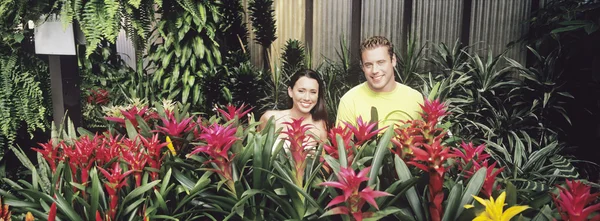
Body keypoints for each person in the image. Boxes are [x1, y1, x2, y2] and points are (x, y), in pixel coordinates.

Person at [336, 36, 423, 129]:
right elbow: (343, 142)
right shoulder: (349, 101)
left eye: (380, 62)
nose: (375, 70)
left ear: (393, 60)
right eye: (368, 65)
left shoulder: (415, 98)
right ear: (362, 67)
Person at [258, 69, 328, 151]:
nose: (307, 98)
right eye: (301, 91)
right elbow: (256, 155)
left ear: (318, 95)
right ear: (290, 91)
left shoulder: (320, 126)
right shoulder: (270, 119)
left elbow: (323, 161)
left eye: (313, 92)